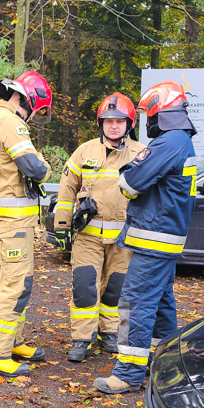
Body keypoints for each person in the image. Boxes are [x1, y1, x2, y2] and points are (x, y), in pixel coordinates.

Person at [94, 81, 196, 394]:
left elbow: (129, 182)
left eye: (147, 113)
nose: (147, 120)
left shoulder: (169, 142)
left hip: (155, 239)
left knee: (135, 303)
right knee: (162, 304)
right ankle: (164, 364)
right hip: (163, 238)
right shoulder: (180, 140)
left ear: (158, 111)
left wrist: (129, 175)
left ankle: (128, 373)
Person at [0, 71, 54, 377]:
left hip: (8, 217)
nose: (33, 117)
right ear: (24, 99)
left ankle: (12, 340)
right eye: (35, 109)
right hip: (13, 219)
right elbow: (35, 168)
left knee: (19, 279)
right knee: (16, 284)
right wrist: (45, 168)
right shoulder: (12, 123)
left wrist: (1, 176)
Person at [53, 93, 145, 362]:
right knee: (84, 288)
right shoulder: (85, 151)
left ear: (129, 124)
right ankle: (82, 339)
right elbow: (66, 189)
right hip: (88, 237)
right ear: (100, 123)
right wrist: (61, 225)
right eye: (108, 121)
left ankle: (109, 334)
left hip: (123, 239)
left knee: (116, 289)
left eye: (119, 121)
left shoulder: (140, 154)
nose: (113, 126)